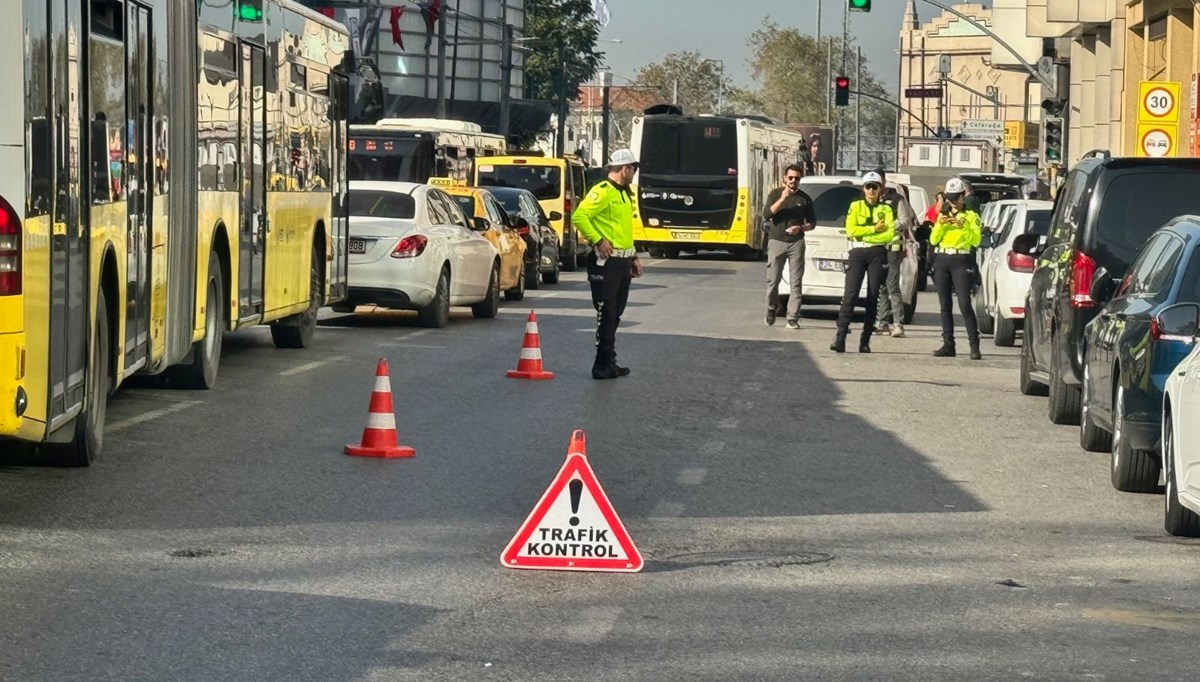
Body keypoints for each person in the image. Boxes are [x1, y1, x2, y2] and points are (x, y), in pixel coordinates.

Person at [573, 148, 645, 380]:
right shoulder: (602, 191)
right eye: (633, 168)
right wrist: (598, 239)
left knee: (616, 313)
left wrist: (633, 257)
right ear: (624, 169)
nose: (634, 173)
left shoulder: (625, 194)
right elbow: (579, 216)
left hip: (622, 261)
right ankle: (602, 364)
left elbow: (624, 231)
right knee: (607, 312)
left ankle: (609, 361)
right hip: (605, 262)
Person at [831, 171, 895, 354]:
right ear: (864, 188)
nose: (871, 190)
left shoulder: (887, 210)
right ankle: (840, 335)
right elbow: (851, 229)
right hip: (858, 251)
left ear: (881, 189)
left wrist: (865, 231)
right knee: (850, 294)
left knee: (873, 296)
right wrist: (874, 228)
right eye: (868, 186)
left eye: (875, 186)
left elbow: (889, 233)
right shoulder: (856, 206)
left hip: (877, 252)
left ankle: (865, 340)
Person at [930, 177, 983, 360]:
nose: (953, 202)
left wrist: (963, 227)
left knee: (964, 304)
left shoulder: (971, 216)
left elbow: (976, 240)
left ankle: (974, 346)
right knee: (945, 305)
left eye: (956, 198)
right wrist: (942, 224)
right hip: (943, 258)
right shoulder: (943, 215)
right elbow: (933, 239)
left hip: (961, 258)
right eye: (949, 198)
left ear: (963, 196)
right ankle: (948, 344)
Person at [762, 163, 815, 329]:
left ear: (800, 180)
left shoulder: (805, 199)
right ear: (785, 178)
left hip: (796, 243)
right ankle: (771, 309)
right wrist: (783, 198)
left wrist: (800, 228)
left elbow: (812, 223)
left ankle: (792, 317)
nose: (793, 181)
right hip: (777, 241)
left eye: (796, 178)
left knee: (796, 282)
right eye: (790, 178)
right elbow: (767, 214)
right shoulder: (775, 194)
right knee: (773, 280)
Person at [872, 170, 918, 338]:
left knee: (892, 285)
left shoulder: (896, 199)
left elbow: (905, 220)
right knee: (882, 286)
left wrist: (889, 226)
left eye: (878, 181)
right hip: (878, 247)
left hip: (893, 248)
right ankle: (882, 322)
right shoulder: (873, 199)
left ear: (884, 181)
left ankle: (898, 323)